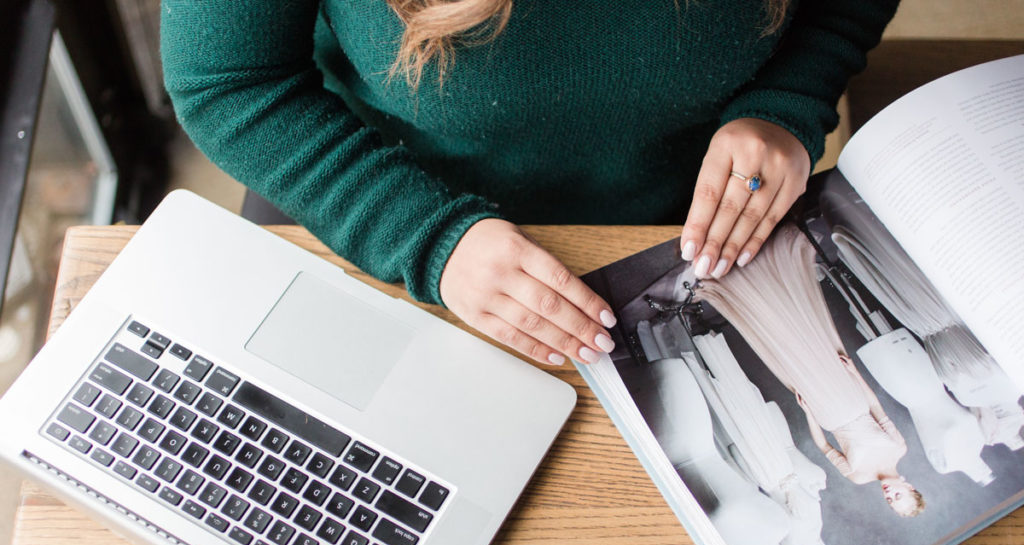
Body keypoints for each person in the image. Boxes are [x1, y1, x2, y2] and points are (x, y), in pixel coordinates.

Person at [160, 0, 899, 366]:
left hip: (677, 229)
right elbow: (228, 79)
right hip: (367, 195)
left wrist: (788, 103)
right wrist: (426, 240)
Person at [695, 224, 925, 517]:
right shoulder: (898, 447)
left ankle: (744, 281)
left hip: (825, 412)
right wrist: (855, 373)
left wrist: (808, 413)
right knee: (809, 335)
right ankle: (768, 266)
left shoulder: (859, 477)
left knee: (787, 350)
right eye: (899, 496)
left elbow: (824, 447)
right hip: (849, 394)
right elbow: (876, 407)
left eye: (891, 502)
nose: (890, 496)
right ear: (909, 486)